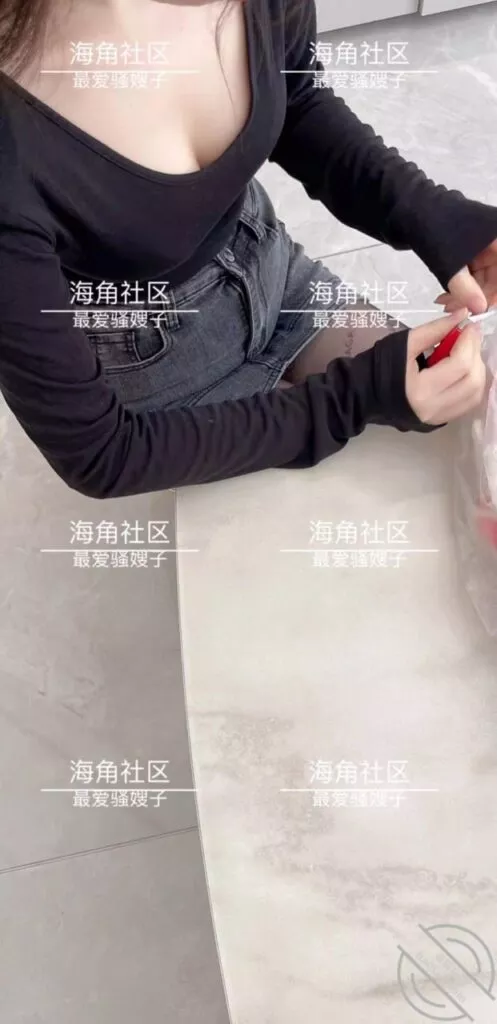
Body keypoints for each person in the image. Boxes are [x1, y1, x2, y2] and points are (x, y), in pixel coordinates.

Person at [0, 0, 496, 500]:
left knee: (443, 430)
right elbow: (101, 453)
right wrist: (354, 398)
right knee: (331, 506)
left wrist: (430, 212)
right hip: (154, 373)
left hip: (270, 267)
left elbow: (296, 98)